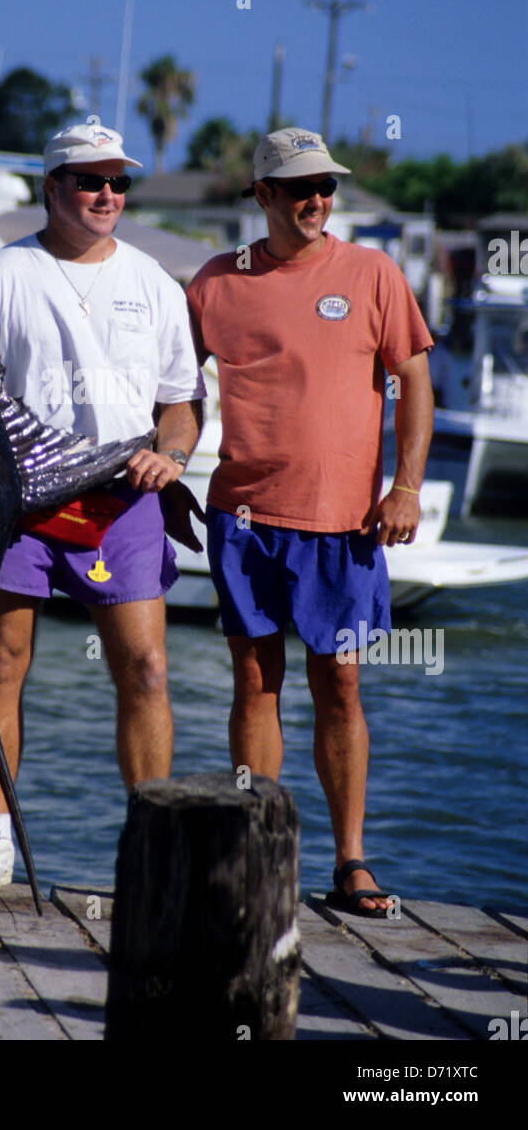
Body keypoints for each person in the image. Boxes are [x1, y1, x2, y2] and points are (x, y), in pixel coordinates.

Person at [186, 127, 434, 917]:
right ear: (262, 196)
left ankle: (351, 860)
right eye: (299, 190)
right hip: (244, 519)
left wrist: (407, 487)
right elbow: (173, 386)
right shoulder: (214, 283)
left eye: (326, 187)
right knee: (255, 685)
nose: (317, 202)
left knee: (342, 686)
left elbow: (414, 381)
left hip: (346, 526)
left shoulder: (372, 272)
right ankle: (259, 855)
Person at [0, 122, 204, 892]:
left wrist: (175, 454)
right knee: (3, 662)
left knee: (148, 670)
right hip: (22, 502)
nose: (106, 195)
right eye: (89, 180)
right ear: (53, 187)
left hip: (123, 499)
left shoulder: (156, 284)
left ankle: (150, 843)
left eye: (118, 182)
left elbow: (181, 402)